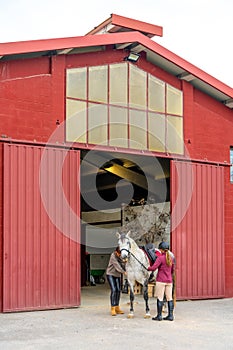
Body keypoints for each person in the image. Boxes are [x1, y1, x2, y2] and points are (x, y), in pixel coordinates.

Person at [147, 241, 175, 321]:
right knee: (169, 298)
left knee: (160, 298)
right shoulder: (171, 258)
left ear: (162, 250)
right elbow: (172, 270)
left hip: (161, 280)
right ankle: (170, 316)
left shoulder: (160, 258)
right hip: (169, 281)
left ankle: (159, 316)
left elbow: (153, 268)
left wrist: (147, 267)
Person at [106, 246, 127, 316]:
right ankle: (112, 308)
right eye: (119, 254)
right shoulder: (113, 256)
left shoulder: (121, 256)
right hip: (110, 274)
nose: (119, 255)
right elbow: (117, 266)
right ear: (116, 252)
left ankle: (117, 307)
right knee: (114, 290)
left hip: (117, 275)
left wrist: (125, 263)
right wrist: (124, 272)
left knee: (118, 290)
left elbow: (123, 264)